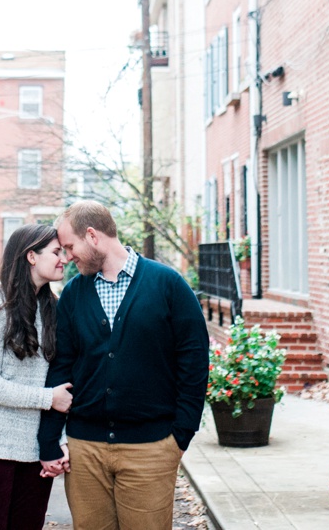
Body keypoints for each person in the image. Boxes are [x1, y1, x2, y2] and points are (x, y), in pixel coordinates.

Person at [37, 200, 209, 530]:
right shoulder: (73, 295)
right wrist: (49, 440)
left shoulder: (168, 285)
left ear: (92, 236)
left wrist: (181, 435)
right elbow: (61, 368)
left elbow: (194, 360)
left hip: (152, 448)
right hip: (85, 450)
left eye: (71, 247)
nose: (68, 257)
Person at [0, 223, 75, 530]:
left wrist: (57, 442)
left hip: (35, 452)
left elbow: (57, 379)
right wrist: (48, 399)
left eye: (64, 251)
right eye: (56, 252)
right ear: (31, 257)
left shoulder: (53, 310)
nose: (64, 258)